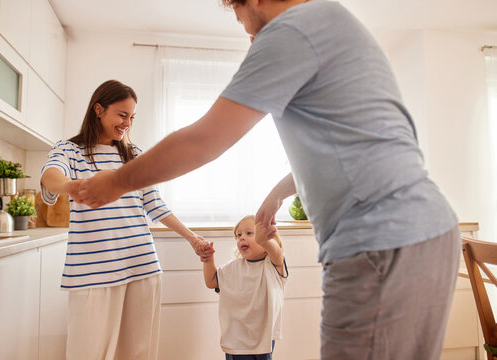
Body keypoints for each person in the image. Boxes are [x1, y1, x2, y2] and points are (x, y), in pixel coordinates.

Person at [75, 1, 460, 359]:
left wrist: (117, 181)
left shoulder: (293, 29)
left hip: (381, 241)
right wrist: (277, 193)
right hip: (426, 232)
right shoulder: (330, 19)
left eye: (237, 11)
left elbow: (204, 140)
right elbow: (353, 146)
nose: (243, 27)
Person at [40, 79, 211, 360]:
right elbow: (50, 176)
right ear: (98, 109)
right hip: (92, 273)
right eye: (122, 115)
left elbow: (154, 204)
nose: (127, 123)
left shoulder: (134, 156)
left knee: (138, 354)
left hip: (142, 265)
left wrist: (192, 237)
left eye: (132, 117)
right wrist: (71, 186)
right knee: (88, 353)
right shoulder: (69, 150)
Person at [201, 215, 287, 359]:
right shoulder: (232, 268)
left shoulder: (273, 266)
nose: (241, 238)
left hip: (262, 338)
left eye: (249, 233)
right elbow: (211, 281)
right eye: (238, 235)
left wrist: (263, 237)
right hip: (236, 339)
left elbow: (277, 252)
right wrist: (208, 260)